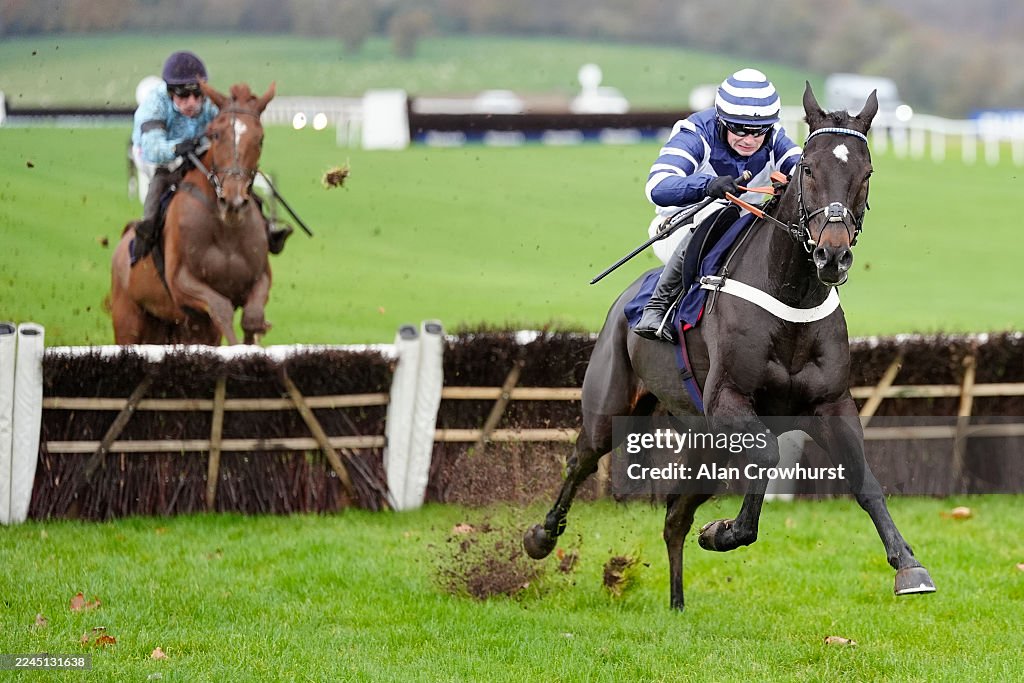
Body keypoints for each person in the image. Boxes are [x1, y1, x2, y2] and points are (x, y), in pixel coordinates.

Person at [632, 68, 802, 343]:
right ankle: (657, 307)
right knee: (719, 213)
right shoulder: (695, 133)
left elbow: (806, 173)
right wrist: (706, 186)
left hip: (747, 230)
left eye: (759, 132)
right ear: (721, 120)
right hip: (680, 227)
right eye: (740, 130)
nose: (750, 140)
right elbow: (657, 188)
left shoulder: (774, 138)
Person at [130, 50, 292, 261]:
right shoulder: (155, 104)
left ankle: (266, 226)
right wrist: (178, 148)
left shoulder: (207, 104)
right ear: (170, 93)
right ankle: (145, 238)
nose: (191, 102)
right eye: (183, 96)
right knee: (160, 184)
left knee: (227, 180)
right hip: (154, 157)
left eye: (197, 95)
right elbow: (152, 148)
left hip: (195, 150)